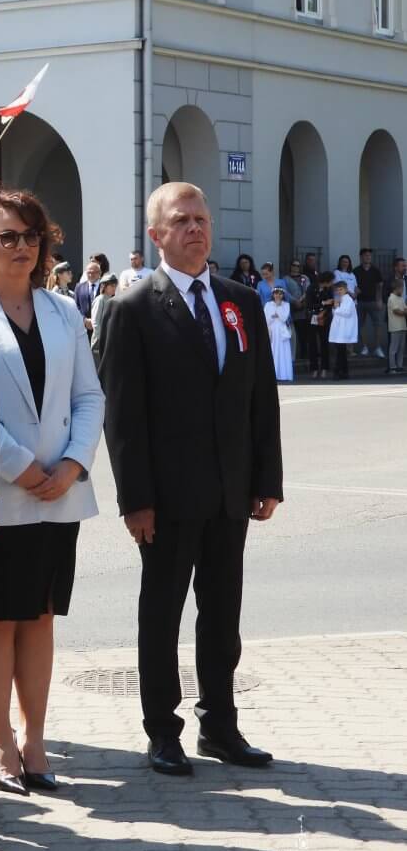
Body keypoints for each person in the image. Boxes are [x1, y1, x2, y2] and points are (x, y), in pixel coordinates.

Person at [100, 181, 282, 778]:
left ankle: (221, 727)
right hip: (168, 499)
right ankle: (162, 732)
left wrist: (267, 478)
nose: (196, 229)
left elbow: (260, 399)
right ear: (156, 235)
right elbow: (123, 417)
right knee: (162, 615)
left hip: (231, 493)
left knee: (222, 615)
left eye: (201, 218)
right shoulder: (132, 309)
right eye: (181, 221)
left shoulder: (240, 302)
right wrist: (136, 500)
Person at [0, 188, 103, 796]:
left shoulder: (64, 310)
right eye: (7, 237)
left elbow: (90, 396)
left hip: (58, 494)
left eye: (30, 236)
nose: (21, 247)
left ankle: (36, 736)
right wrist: (18, 467)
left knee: (41, 618)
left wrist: (71, 465)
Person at [354, 248, 385, 358]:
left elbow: (379, 286)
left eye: (369, 256)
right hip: (360, 302)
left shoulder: (376, 270)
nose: (368, 257)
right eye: (366, 255)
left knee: (377, 325)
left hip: (373, 301)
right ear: (361, 257)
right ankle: (364, 347)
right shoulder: (356, 271)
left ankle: (377, 347)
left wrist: (379, 300)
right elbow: (353, 285)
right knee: (360, 326)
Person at [305, 271, 335, 378]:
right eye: (331, 281)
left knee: (324, 343)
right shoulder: (311, 288)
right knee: (312, 343)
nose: (332, 283)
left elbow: (331, 303)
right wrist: (322, 304)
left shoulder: (329, 289)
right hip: (312, 317)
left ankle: (324, 368)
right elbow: (309, 304)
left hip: (324, 317)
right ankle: (313, 368)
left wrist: (324, 311)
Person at [264, 286, 294, 382]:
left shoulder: (286, 304)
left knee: (283, 351)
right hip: (272, 330)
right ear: (273, 294)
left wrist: (278, 308)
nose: (278, 295)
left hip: (281, 331)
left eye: (280, 294)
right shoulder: (268, 304)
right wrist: (275, 314)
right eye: (276, 293)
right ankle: (273, 374)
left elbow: (284, 318)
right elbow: (266, 318)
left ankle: (284, 374)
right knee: (273, 350)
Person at [328, 280, 357, 379]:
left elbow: (346, 312)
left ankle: (338, 371)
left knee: (340, 352)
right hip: (339, 329)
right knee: (341, 352)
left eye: (341, 289)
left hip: (343, 330)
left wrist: (336, 308)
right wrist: (335, 307)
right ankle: (344, 372)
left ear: (346, 289)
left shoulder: (348, 299)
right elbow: (335, 313)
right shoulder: (340, 299)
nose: (339, 291)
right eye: (337, 290)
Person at [90, 271, 119, 365]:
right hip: (100, 342)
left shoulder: (112, 300)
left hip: (109, 340)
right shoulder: (100, 300)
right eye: (112, 286)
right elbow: (95, 322)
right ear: (104, 286)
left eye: (115, 285)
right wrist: (101, 339)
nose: (114, 288)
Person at [283, 260, 309, 361]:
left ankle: (304, 355)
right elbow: (285, 292)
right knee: (292, 334)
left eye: (298, 266)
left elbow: (308, 289)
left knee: (303, 335)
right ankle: (292, 356)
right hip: (291, 309)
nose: (295, 267)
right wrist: (295, 301)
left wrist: (301, 300)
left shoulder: (305, 278)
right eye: (293, 265)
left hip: (303, 309)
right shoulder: (285, 279)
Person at [73, 260, 102, 330]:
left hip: (101, 327)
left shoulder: (105, 286)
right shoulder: (79, 287)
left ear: (99, 273)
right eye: (89, 272)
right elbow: (75, 306)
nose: (91, 275)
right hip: (84, 327)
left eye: (94, 272)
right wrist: (84, 320)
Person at [387, 279, 406, 374]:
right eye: (402, 288)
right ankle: (392, 367)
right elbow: (396, 311)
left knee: (401, 348)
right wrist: (404, 312)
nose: (402, 290)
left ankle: (399, 365)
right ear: (397, 288)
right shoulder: (392, 298)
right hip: (395, 327)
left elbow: (405, 309)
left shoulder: (401, 298)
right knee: (393, 348)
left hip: (403, 326)